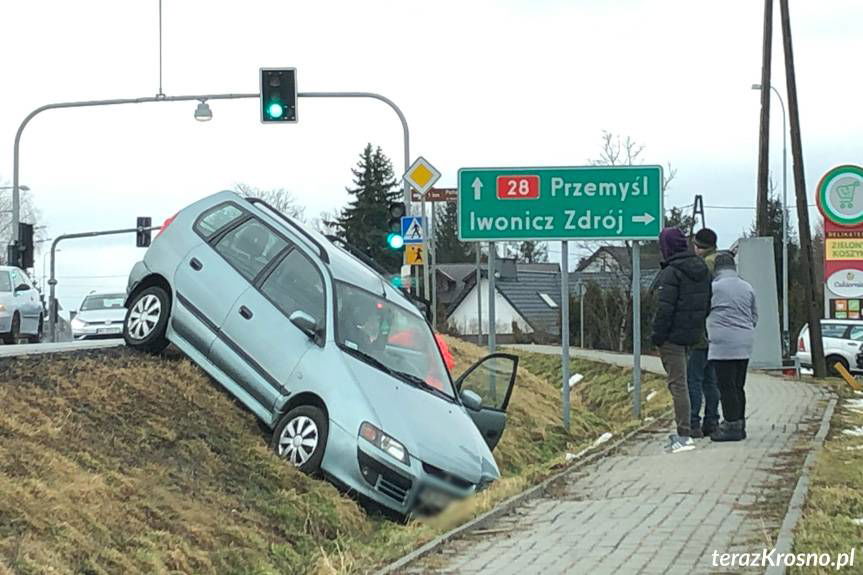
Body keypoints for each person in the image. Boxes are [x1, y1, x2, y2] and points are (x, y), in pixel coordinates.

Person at [651, 227, 712, 453]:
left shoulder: (672, 273)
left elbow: (664, 309)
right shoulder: (702, 269)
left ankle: (683, 434)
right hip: (693, 334)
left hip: (672, 337)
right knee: (693, 380)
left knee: (678, 385)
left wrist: (657, 336)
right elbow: (707, 303)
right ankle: (691, 426)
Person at [707, 252, 757, 442]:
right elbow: (754, 316)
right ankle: (740, 423)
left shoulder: (714, 288)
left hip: (722, 343)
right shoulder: (747, 287)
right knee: (738, 385)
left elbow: (705, 309)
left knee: (725, 386)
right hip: (745, 341)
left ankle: (731, 426)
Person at [688, 228, 721, 438]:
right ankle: (713, 421)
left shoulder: (703, 267)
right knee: (712, 381)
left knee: (694, 379)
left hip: (702, 330)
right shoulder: (724, 263)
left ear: (699, 246)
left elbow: (699, 299)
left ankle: (693, 423)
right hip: (720, 332)